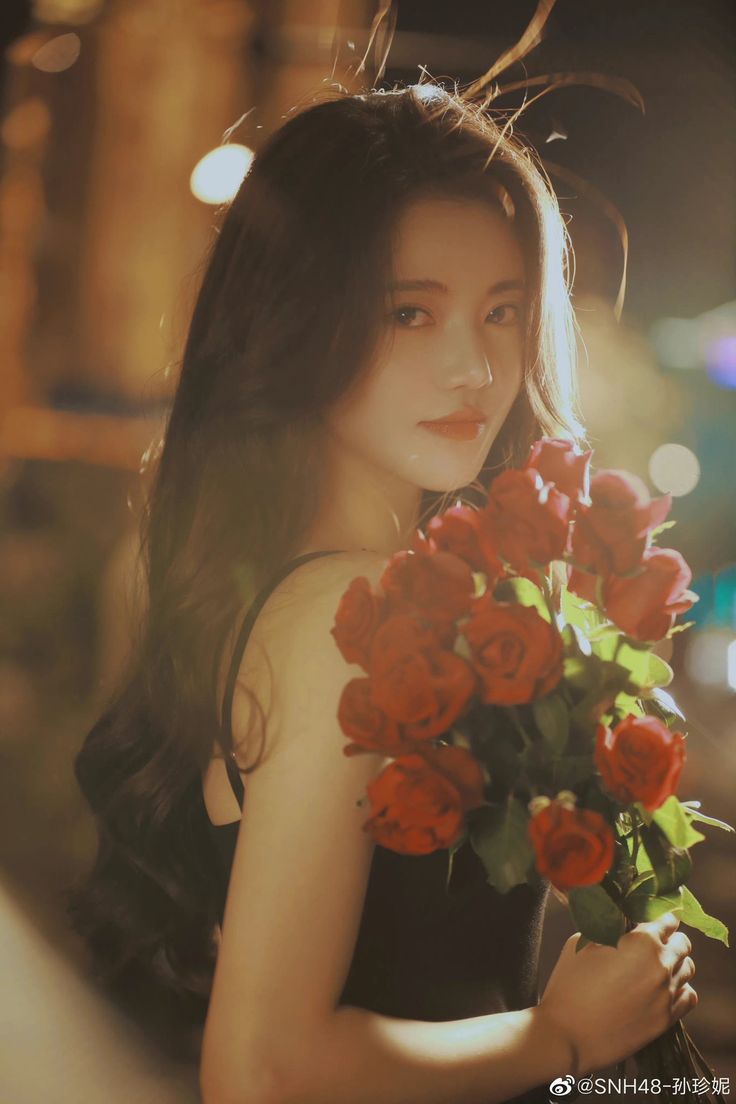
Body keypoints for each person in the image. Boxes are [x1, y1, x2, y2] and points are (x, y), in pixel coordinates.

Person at [68, 84, 698, 1104]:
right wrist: (560, 1039)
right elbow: (261, 1071)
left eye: (501, 311)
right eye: (410, 312)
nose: (475, 367)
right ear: (297, 322)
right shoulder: (345, 614)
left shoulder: (323, 593)